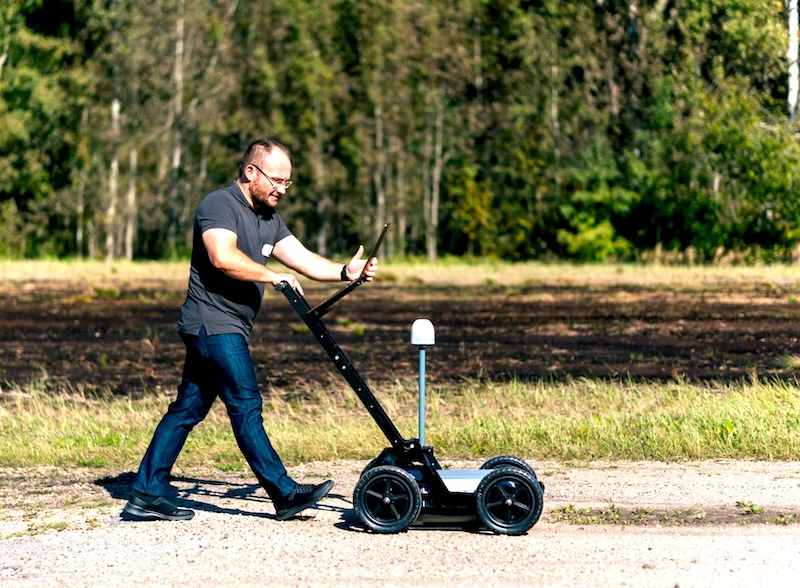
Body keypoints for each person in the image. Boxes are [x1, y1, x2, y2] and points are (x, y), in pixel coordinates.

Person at [123, 138, 378, 522]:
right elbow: (222, 257)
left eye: (288, 183)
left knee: (186, 409)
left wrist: (345, 271)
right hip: (212, 322)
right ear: (250, 172)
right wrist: (272, 276)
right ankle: (285, 492)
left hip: (228, 326)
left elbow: (305, 260)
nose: (282, 189)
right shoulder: (218, 205)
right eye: (276, 180)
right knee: (246, 405)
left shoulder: (269, 219)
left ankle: (146, 492)